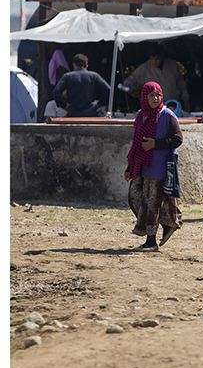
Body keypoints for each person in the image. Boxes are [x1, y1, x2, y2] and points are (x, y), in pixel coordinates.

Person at [123, 81, 183, 251]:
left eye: (158, 94)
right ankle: (168, 223)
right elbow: (136, 143)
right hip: (141, 166)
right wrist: (129, 166)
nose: (155, 98)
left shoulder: (167, 115)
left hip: (158, 167)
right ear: (144, 97)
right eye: (151, 95)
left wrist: (155, 144)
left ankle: (151, 241)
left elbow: (178, 139)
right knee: (134, 197)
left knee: (152, 204)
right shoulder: (141, 115)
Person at [120, 45, 190, 109]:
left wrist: (186, 100)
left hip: (173, 104)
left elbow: (181, 84)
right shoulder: (144, 69)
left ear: (162, 56)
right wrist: (127, 85)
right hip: (155, 106)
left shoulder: (172, 65)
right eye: (152, 59)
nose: (154, 62)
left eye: (157, 59)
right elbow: (133, 78)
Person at [53, 54, 111, 118]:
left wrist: (63, 106)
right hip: (90, 112)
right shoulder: (94, 76)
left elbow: (56, 92)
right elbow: (108, 90)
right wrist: (99, 104)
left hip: (73, 112)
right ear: (86, 66)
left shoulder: (67, 76)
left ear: (74, 64)